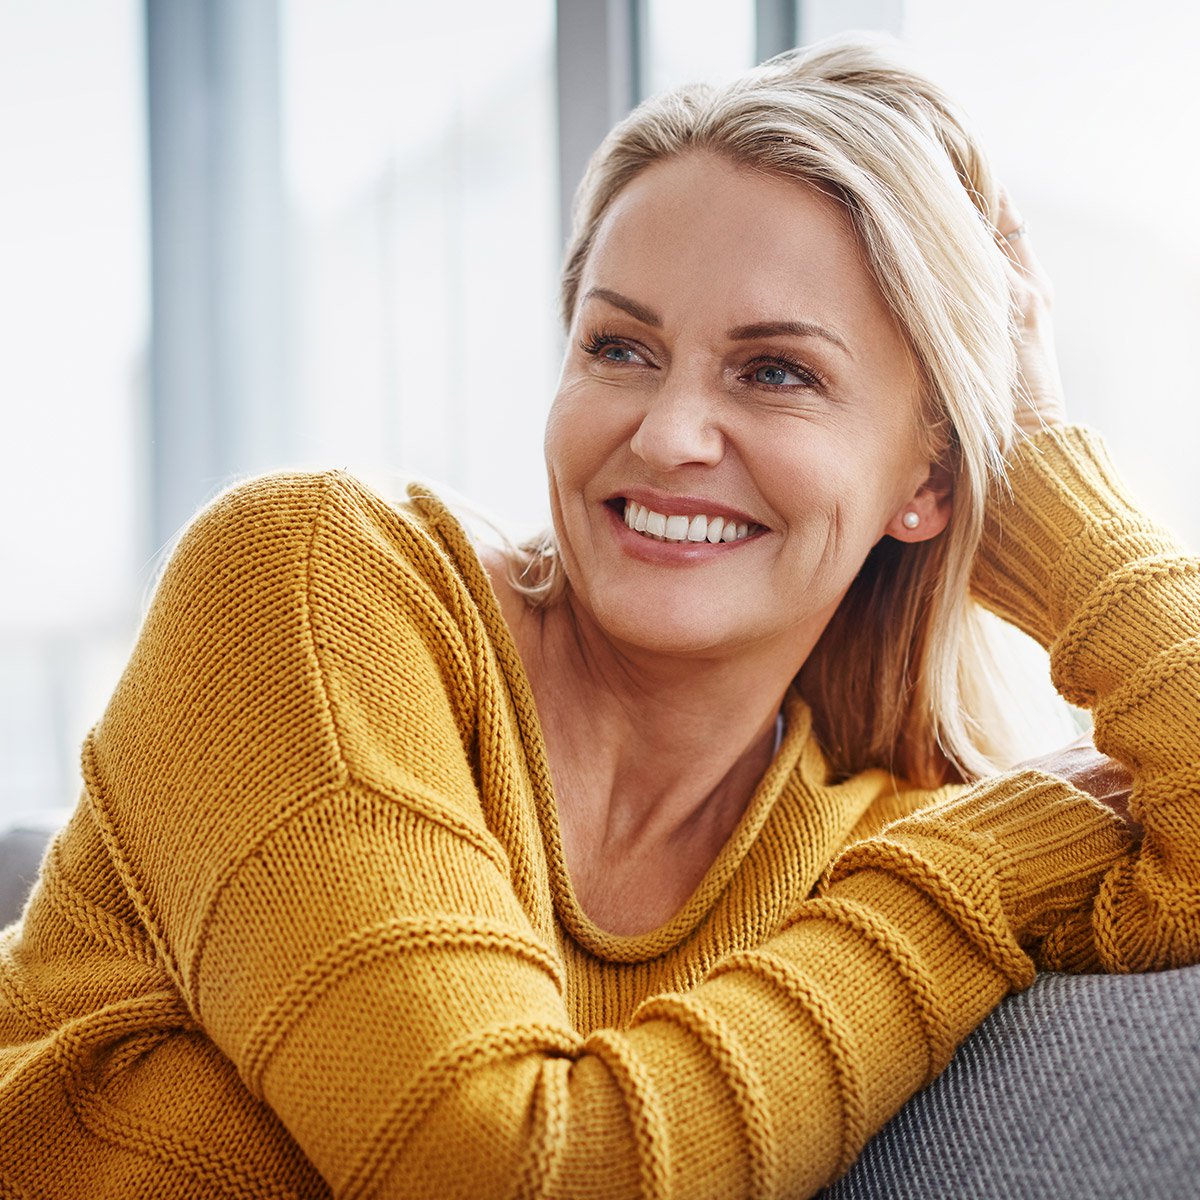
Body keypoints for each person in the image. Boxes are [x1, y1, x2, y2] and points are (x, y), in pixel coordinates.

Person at [0, 33, 1196, 1200]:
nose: (668, 434)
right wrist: (965, 885)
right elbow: (500, 1163)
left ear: (926, 483)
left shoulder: (878, 838)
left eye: (775, 370)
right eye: (620, 347)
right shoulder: (311, 587)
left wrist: (1035, 482)